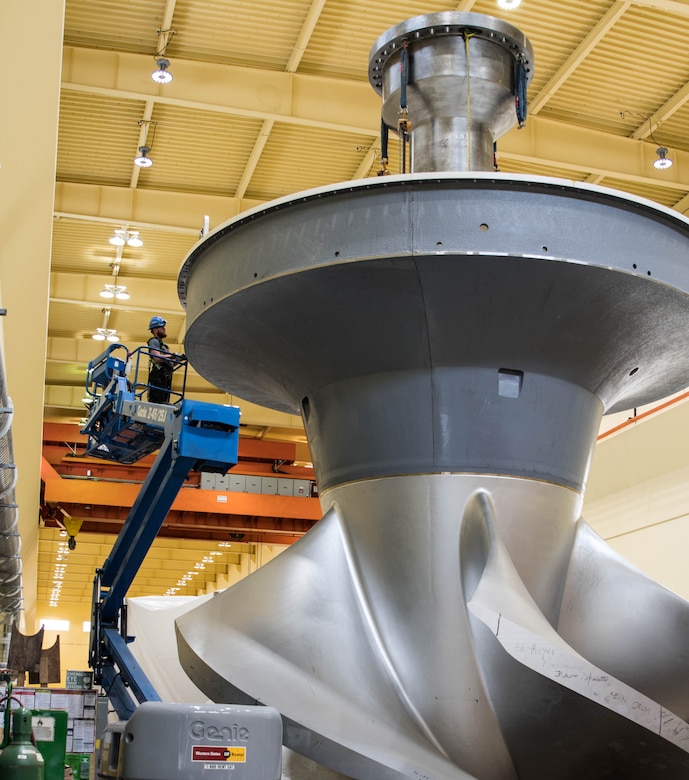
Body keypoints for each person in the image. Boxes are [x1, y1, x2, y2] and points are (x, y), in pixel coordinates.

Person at [147, 316, 174, 403]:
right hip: (158, 377)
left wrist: (179, 359)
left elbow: (171, 363)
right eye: (162, 328)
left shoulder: (164, 346)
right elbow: (157, 358)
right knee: (157, 402)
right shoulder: (154, 341)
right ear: (155, 330)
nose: (164, 329)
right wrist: (172, 356)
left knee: (164, 402)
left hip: (165, 378)